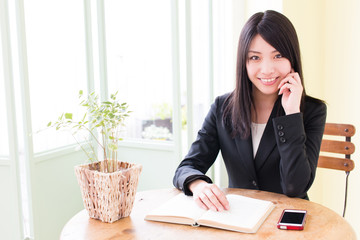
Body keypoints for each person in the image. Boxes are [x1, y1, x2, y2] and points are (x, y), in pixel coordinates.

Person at [173, 10, 327, 212]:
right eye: (255, 57)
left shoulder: (312, 111)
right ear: (243, 63)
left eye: (278, 55)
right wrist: (199, 184)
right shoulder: (223, 108)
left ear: (292, 58)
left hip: (286, 222)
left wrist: (292, 116)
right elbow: (185, 168)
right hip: (239, 219)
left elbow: (294, 187)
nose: (267, 69)